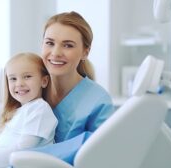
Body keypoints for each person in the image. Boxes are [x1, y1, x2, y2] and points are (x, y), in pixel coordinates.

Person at [26, 11, 115, 164]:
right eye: (50, 43)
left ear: (85, 52)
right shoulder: (29, 90)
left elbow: (101, 158)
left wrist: (23, 156)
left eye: (68, 45)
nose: (56, 53)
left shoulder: (98, 101)